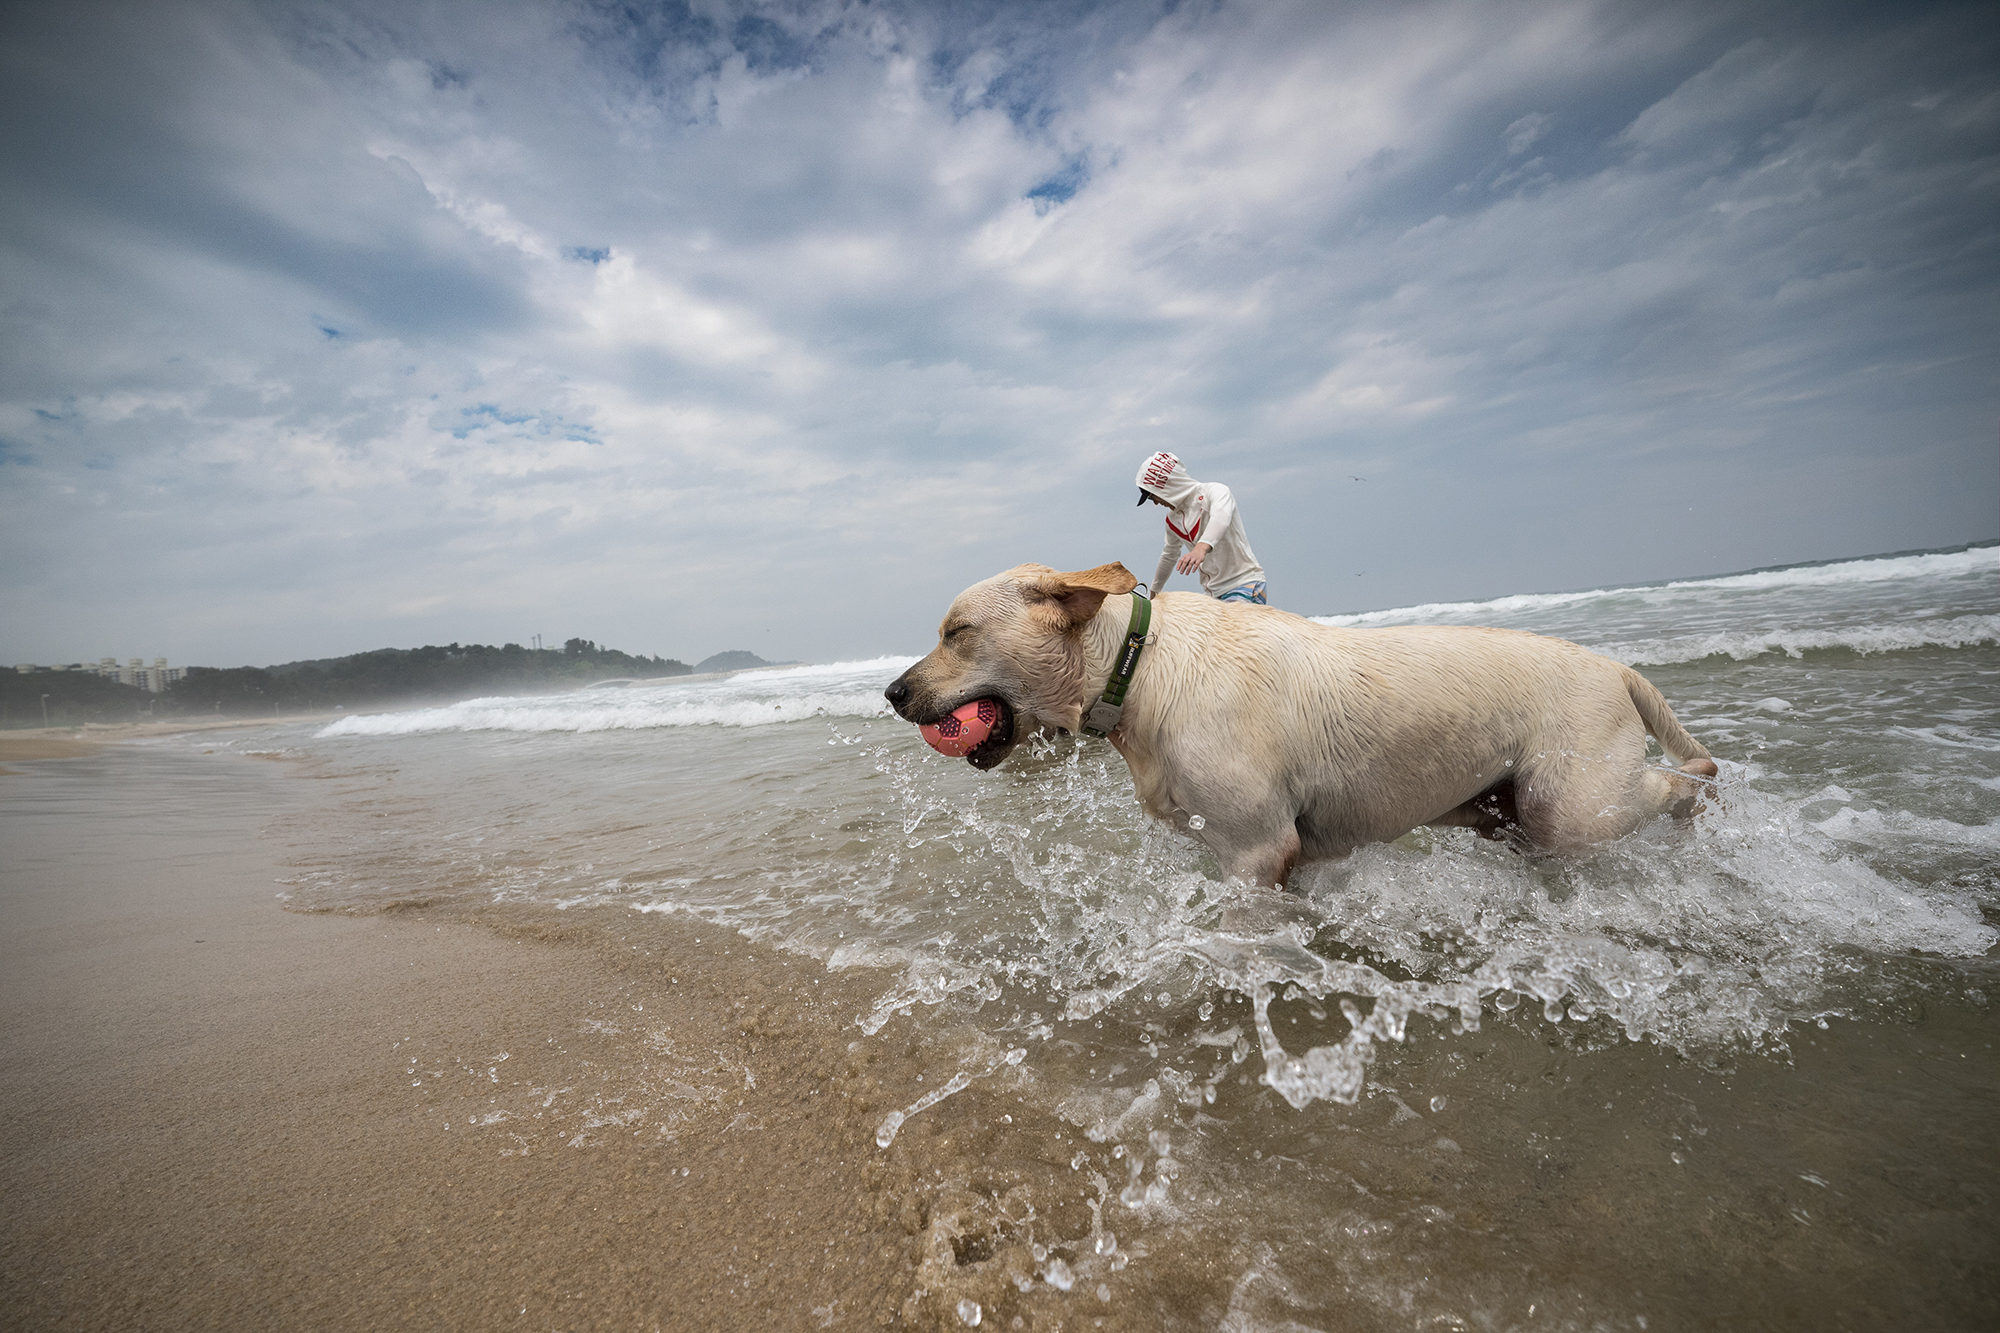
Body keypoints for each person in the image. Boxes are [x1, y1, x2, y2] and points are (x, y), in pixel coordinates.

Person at [1134, 451, 1268, 604]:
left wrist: (1201, 548)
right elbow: (1169, 556)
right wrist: (1154, 593)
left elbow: (1221, 516)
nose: (1156, 503)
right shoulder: (1172, 520)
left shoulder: (1215, 491)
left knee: (1229, 628)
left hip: (1244, 583)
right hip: (1212, 594)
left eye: (1153, 496)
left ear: (1166, 486)